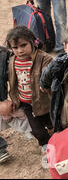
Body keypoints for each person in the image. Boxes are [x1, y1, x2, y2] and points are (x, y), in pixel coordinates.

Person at [6, 26, 53, 155]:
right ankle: (45, 143)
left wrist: (46, 77)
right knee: (37, 129)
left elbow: (50, 72)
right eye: (15, 48)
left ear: (33, 42)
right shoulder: (12, 61)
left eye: (23, 45)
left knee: (51, 121)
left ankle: (55, 134)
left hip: (44, 101)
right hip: (27, 103)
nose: (20, 50)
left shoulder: (43, 58)